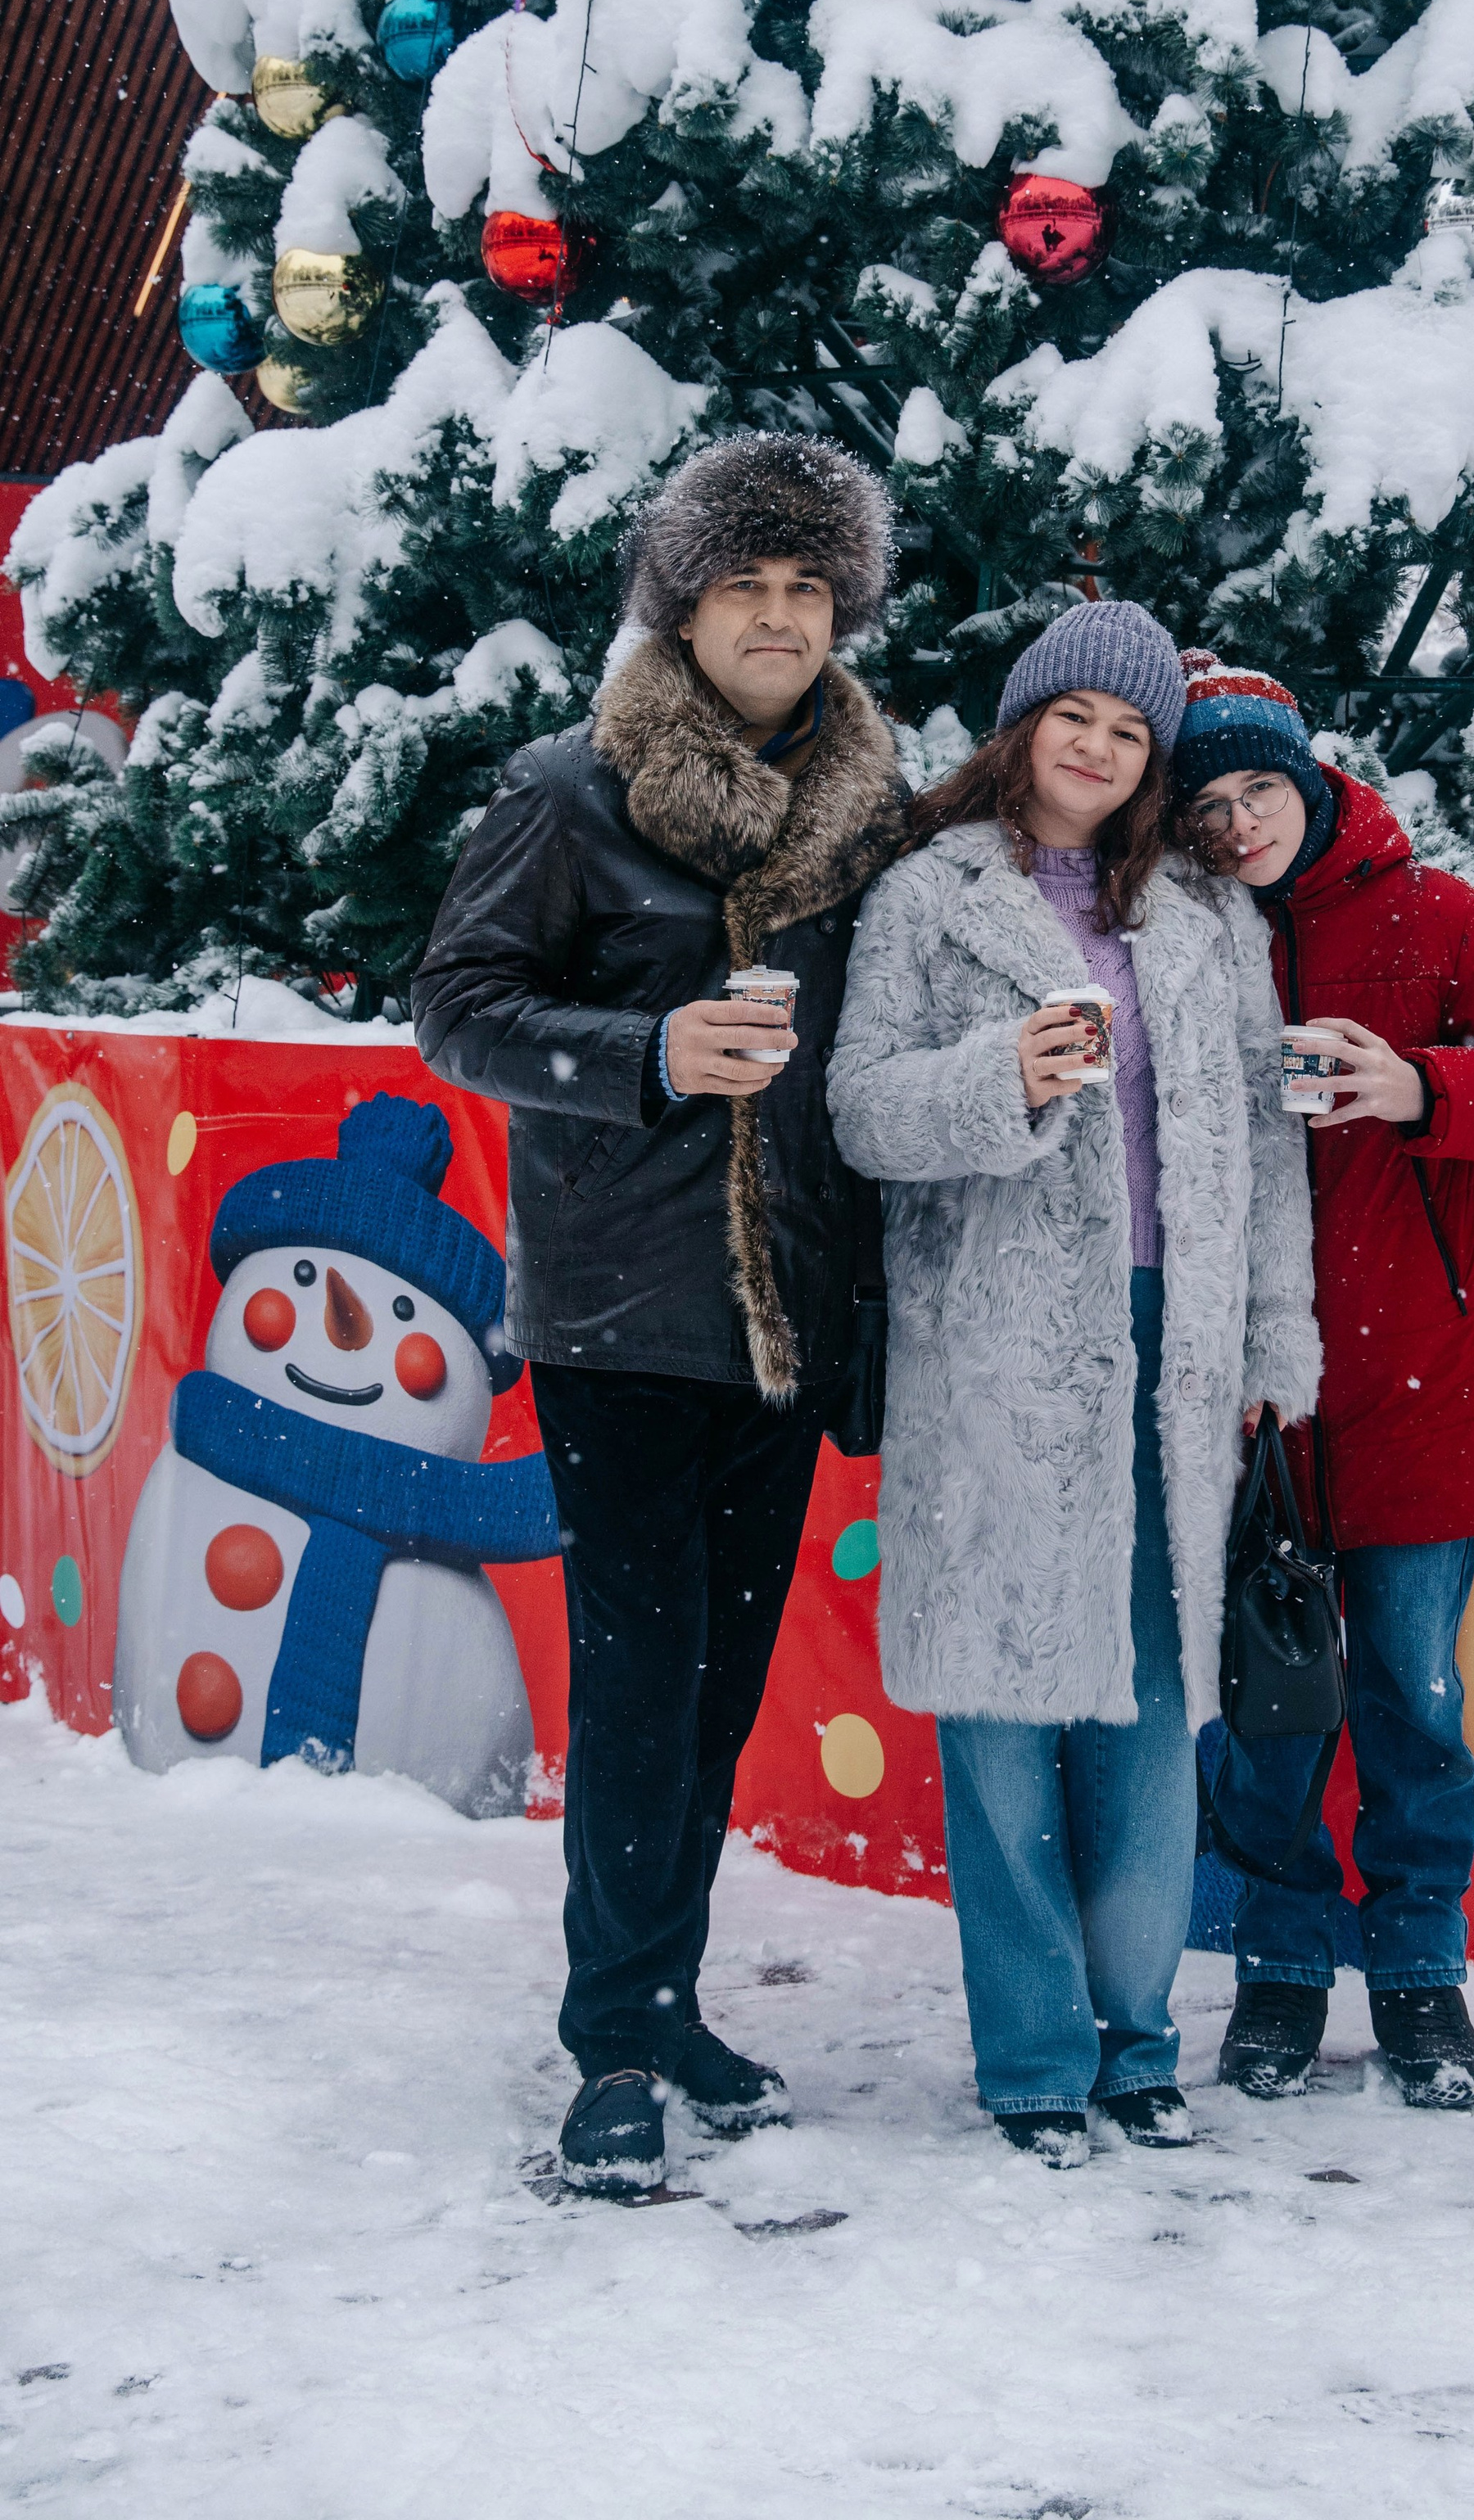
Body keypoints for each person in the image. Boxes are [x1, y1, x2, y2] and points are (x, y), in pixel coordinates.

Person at [412, 431, 905, 2193]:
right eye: (743, 583)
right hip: (621, 1321)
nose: (777, 613)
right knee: (635, 1689)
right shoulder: (571, 790)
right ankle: (612, 2040)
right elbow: (456, 1004)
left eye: (805, 584)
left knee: (714, 1697)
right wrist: (640, 1052)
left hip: (787, 1332)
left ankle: (664, 1987)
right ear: (680, 605)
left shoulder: (869, 809)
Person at [827, 603, 1321, 2167]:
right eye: (1074, 719)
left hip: (1176, 1344)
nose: (1099, 749)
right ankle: (1034, 2055)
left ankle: (1141, 2039)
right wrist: (1000, 1081)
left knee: (1154, 1709)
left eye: (1130, 729)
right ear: (1023, 728)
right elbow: (859, 1113)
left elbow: (1261, 1143)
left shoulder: (1200, 914)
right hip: (990, 1344)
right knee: (1000, 1715)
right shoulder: (926, 896)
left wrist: (1267, 1343)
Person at [1173, 650, 1474, 2109]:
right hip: (1252, 1402)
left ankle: (1420, 1976)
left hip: (1424, 1386)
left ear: (1310, 780)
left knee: (1412, 1695)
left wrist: (1418, 1085)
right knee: (1274, 1706)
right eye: (1205, 802)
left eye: (1258, 788)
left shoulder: (1437, 912)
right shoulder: (1180, 930)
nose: (1238, 823)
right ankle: (1280, 1967)